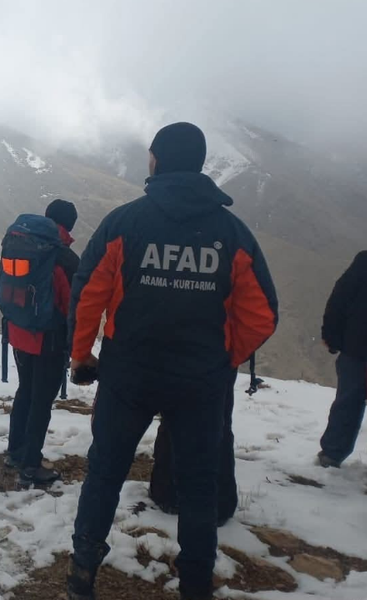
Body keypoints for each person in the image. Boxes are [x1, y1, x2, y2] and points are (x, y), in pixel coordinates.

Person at [65, 123, 278, 600]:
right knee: (200, 487)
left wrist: (82, 355)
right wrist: (223, 359)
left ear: (155, 160)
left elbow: (87, 297)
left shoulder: (124, 224)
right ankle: (196, 586)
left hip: (128, 376)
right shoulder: (232, 233)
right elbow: (262, 315)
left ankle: (81, 575)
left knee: (105, 473)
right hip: (200, 383)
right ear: (200, 165)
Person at [3, 199, 81, 487]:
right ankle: (31, 464)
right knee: (41, 400)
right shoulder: (65, 258)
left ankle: (15, 451)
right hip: (48, 339)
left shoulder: (21, 242)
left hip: (18, 331)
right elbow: (74, 307)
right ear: (71, 225)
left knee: (25, 389)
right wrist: (75, 346)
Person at [149, 374, 238, 527]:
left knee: (174, 414)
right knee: (218, 419)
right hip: (222, 359)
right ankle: (218, 503)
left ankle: (168, 493)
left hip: (178, 358)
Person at [318, 251, 367, 467]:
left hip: (356, 348)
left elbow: (340, 297)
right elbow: (341, 297)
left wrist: (331, 335)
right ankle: (332, 453)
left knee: (348, 402)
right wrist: (332, 335)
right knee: (348, 401)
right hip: (357, 349)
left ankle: (332, 454)